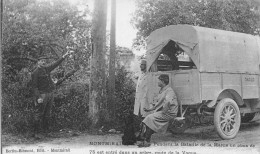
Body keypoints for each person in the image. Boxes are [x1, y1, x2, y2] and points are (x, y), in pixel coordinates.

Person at [31, 51, 72, 138]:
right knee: (39, 113)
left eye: (44, 60)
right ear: (38, 62)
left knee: (48, 114)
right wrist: (38, 97)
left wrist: (64, 56)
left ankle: (46, 132)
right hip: (42, 95)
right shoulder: (35, 73)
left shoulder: (46, 68)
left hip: (50, 94)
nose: (43, 62)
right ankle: (36, 133)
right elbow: (34, 87)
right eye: (42, 61)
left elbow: (56, 64)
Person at [138, 74, 178, 147]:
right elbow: (158, 102)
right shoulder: (162, 90)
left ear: (162, 81)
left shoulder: (169, 91)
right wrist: (150, 109)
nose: (157, 82)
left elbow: (168, 102)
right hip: (164, 112)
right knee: (148, 117)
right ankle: (144, 139)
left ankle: (146, 140)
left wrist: (162, 112)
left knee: (150, 118)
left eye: (158, 80)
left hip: (169, 113)